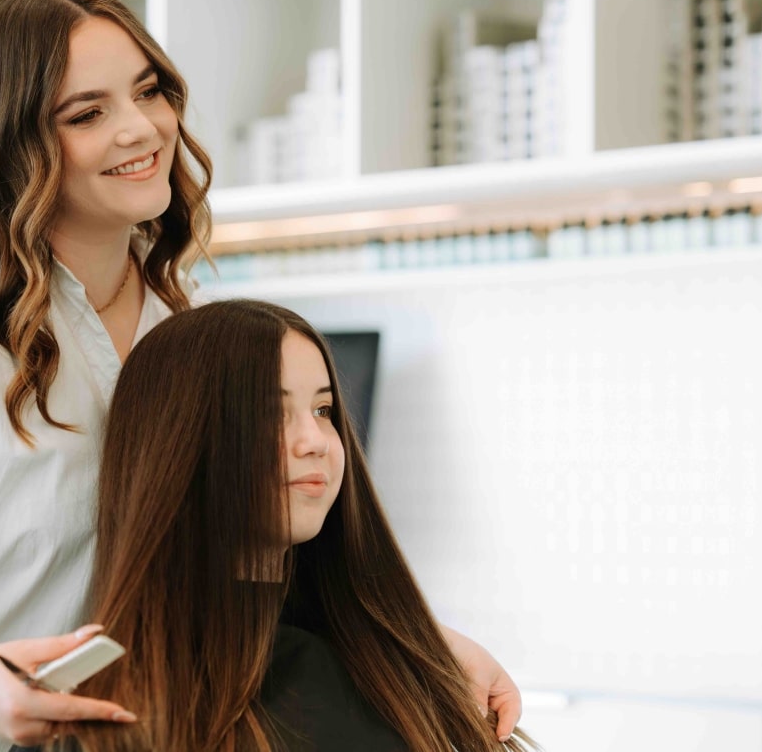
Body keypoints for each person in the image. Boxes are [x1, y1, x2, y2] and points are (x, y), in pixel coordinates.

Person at [0, 0, 521, 752]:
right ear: (10, 138)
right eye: (88, 113)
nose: (142, 129)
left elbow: (220, 546)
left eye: (149, 90)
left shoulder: (178, 317)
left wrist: (421, 645)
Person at [58, 299, 536, 752]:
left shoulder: (375, 669)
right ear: (177, 444)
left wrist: (415, 642)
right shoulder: (87, 705)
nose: (316, 441)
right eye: (270, 412)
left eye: (323, 411)